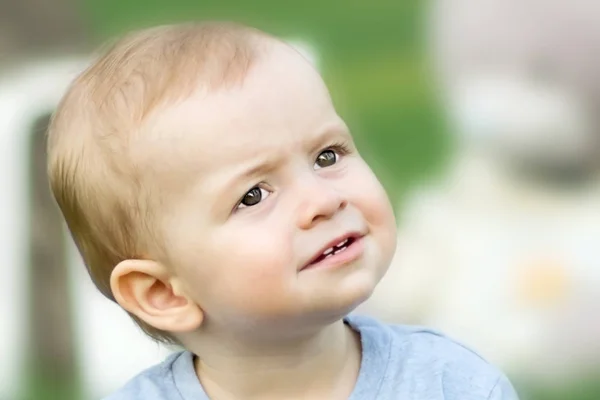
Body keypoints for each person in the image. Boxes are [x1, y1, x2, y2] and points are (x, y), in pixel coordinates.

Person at [47, 21, 518, 400]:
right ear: (162, 292)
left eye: (327, 156)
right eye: (253, 195)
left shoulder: (452, 384)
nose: (322, 200)